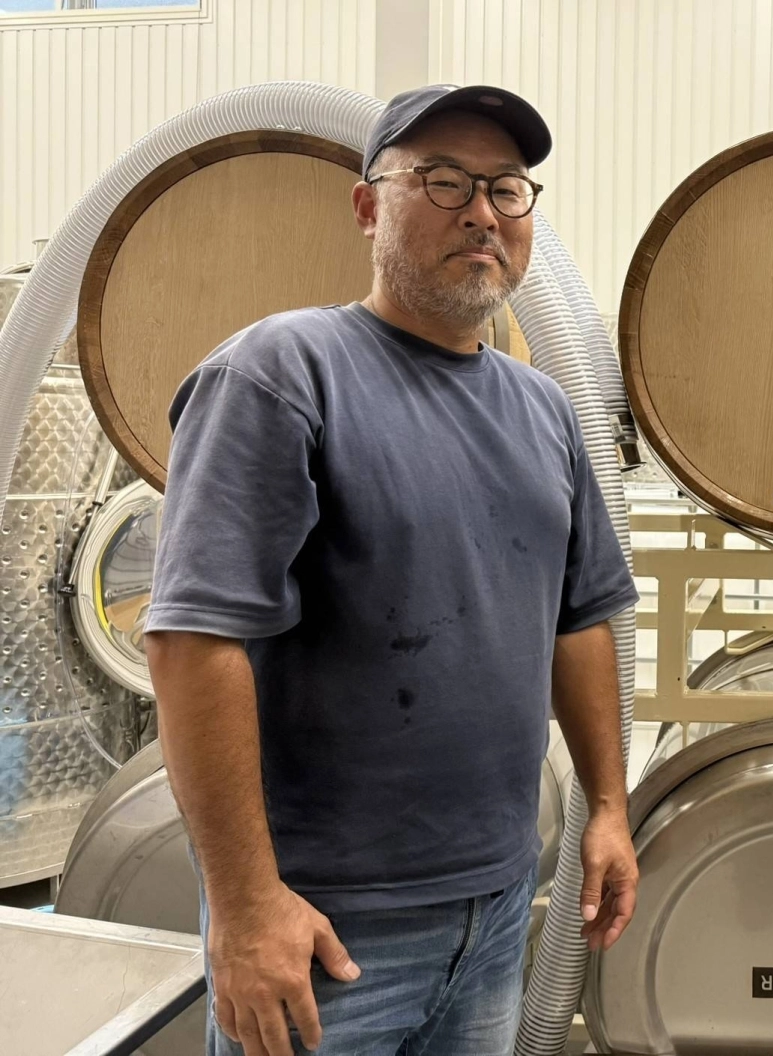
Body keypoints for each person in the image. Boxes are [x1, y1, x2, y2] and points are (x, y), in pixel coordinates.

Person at [143, 84, 640, 1056]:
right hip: (328, 926)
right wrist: (244, 907)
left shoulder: (542, 409)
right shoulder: (280, 374)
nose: (482, 211)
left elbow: (579, 618)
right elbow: (193, 643)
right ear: (369, 208)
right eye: (443, 181)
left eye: (506, 188)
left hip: (496, 904)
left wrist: (609, 809)